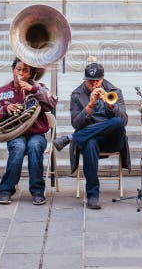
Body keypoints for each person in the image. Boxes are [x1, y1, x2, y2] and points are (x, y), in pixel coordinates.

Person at [53, 62, 130, 210]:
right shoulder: (77, 95)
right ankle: (93, 195)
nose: (94, 84)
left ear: (102, 79)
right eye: (90, 81)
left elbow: (124, 120)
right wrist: (89, 106)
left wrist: (110, 105)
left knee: (117, 121)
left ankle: (72, 138)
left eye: (97, 81)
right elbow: (76, 123)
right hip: (90, 139)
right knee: (90, 143)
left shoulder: (115, 91)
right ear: (84, 79)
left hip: (113, 138)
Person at [0, 58, 57, 206]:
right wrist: (5, 109)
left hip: (37, 134)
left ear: (31, 73)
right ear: (13, 70)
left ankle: (38, 192)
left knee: (34, 146)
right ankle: (6, 190)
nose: (21, 73)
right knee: (18, 147)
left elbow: (52, 103)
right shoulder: (2, 92)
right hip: (15, 134)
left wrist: (33, 89)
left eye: (25, 70)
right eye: (18, 69)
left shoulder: (40, 88)